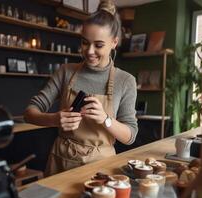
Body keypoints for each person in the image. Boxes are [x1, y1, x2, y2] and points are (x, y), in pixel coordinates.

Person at [24, 0, 138, 176]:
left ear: (114, 42)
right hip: (61, 162)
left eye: (98, 45)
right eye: (85, 43)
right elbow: (29, 112)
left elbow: (130, 136)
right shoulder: (65, 72)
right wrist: (54, 119)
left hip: (101, 167)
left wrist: (105, 119)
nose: (89, 51)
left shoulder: (126, 81)